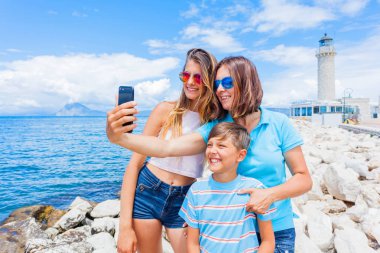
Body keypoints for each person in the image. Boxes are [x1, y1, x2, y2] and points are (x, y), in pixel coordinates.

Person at [107, 56, 312, 253]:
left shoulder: (279, 123)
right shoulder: (217, 127)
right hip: (235, 228)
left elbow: (303, 179)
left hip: (276, 227)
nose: (220, 89)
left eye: (227, 82)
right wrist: (119, 138)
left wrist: (269, 195)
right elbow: (166, 148)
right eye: (217, 84)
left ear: (246, 82)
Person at [116, 48, 221, 253]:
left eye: (198, 77)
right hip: (147, 191)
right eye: (186, 75)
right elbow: (135, 164)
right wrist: (124, 228)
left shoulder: (213, 122)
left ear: (209, 80)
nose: (190, 82)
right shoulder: (165, 110)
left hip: (184, 198)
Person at [180, 122, 276, 253]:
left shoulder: (255, 189)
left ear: (241, 155)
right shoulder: (196, 191)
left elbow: (268, 240)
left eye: (221, 146)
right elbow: (192, 244)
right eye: (209, 145)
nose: (213, 150)